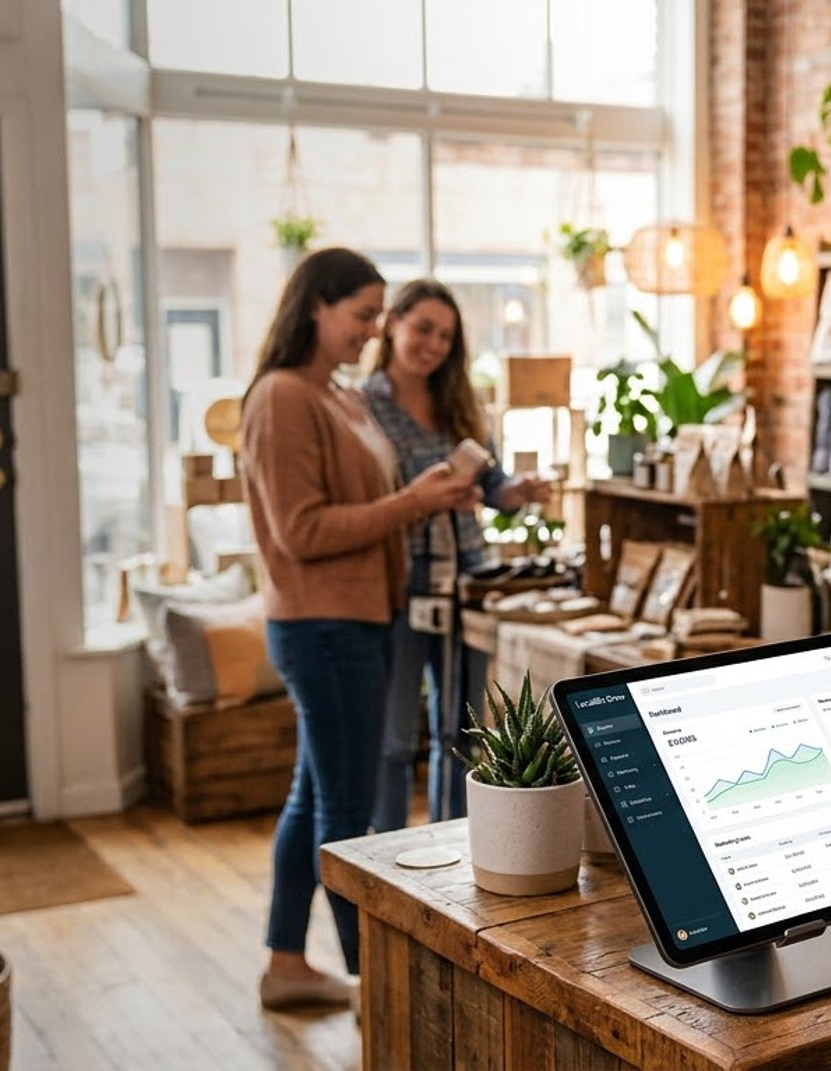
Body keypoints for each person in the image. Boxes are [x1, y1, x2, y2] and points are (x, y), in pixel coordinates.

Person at [241, 249, 480, 1011]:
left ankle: (287, 961)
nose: (372, 330)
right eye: (364, 314)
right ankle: (380, 984)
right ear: (316, 307)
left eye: (378, 315)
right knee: (346, 819)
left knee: (315, 801)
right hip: (324, 625)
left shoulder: (337, 397)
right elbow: (302, 529)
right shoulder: (282, 397)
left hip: (359, 620)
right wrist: (415, 502)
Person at [362, 279, 549, 830]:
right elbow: (370, 499)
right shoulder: (363, 406)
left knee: (463, 731)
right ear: (393, 322)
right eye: (424, 328)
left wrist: (517, 492)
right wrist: (423, 497)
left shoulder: (460, 402)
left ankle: (459, 850)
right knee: (394, 736)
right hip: (400, 579)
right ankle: (387, 857)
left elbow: (492, 485)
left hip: (470, 577)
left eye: (446, 335)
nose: (434, 345)